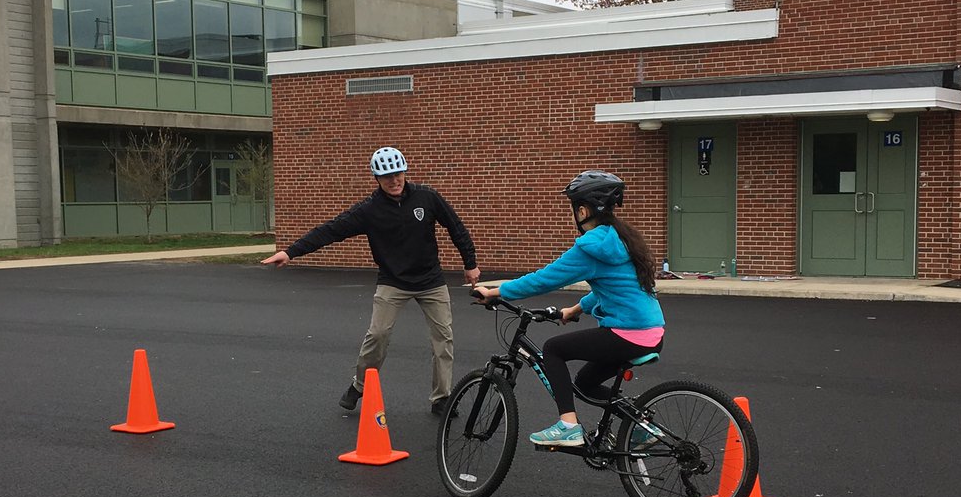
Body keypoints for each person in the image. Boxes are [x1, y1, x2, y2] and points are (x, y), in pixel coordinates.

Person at [261, 146, 481, 415]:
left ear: (404, 172)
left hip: (431, 280)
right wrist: (291, 252)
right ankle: (359, 385)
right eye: (387, 176)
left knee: (443, 339)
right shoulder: (369, 209)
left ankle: (441, 398)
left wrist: (470, 263)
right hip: (393, 281)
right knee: (377, 334)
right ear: (377, 178)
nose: (394, 181)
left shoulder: (428, 197)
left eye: (398, 174)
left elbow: (455, 226)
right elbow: (331, 230)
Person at [472, 170, 664, 446]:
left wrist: (495, 291)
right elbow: (612, 289)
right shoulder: (621, 239)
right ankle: (642, 426)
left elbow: (544, 280)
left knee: (553, 349)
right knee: (583, 383)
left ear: (583, 210)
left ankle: (568, 426)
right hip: (651, 333)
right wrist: (575, 309)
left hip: (628, 333)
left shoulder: (592, 247)